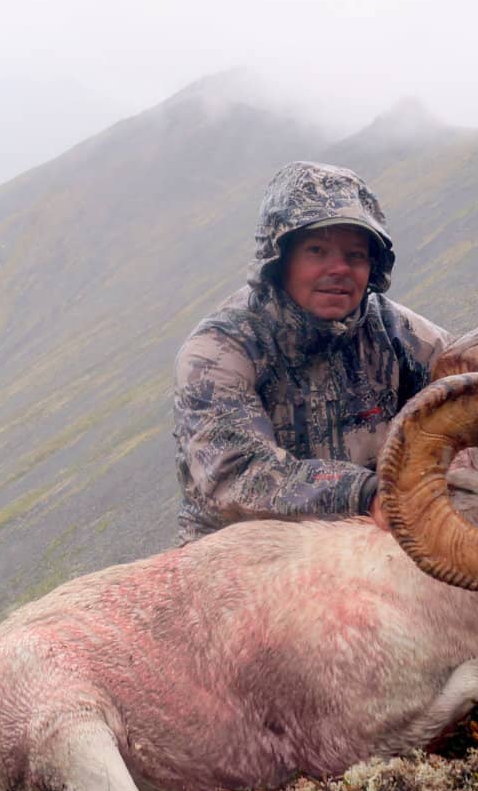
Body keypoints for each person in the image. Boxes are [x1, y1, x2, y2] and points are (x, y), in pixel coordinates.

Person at [172, 161, 451, 543]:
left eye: (355, 255)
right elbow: (236, 474)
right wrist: (366, 494)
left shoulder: (397, 332)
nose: (339, 269)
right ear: (278, 259)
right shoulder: (218, 351)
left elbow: (475, 380)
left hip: (372, 537)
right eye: (317, 250)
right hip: (246, 555)